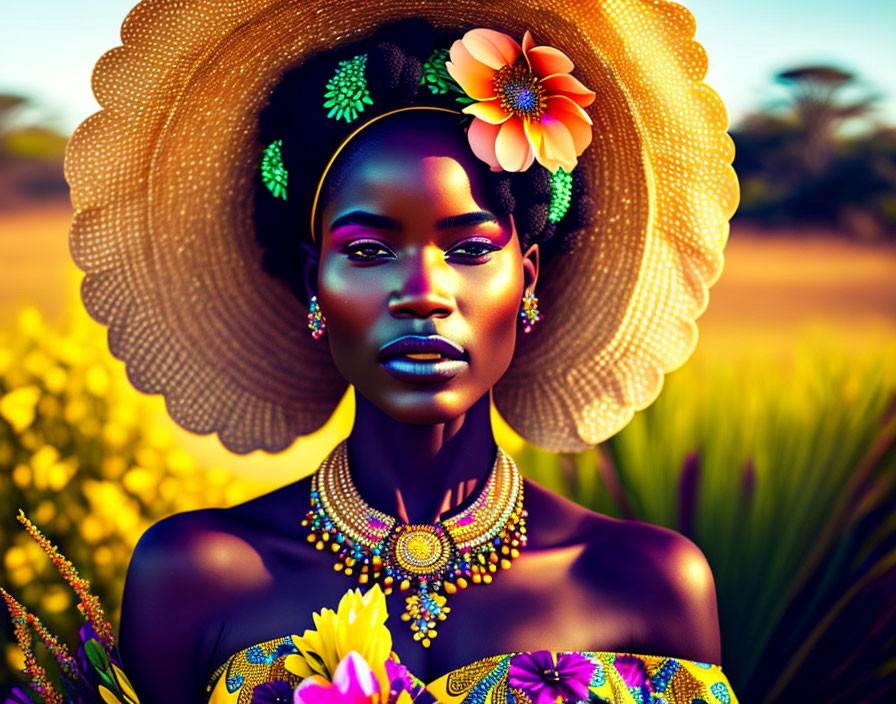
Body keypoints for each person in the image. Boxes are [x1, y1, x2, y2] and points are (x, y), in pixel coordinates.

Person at [10, 1, 739, 703]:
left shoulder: (649, 583)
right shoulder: (195, 576)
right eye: (367, 249)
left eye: (471, 248)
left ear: (528, 278)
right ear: (312, 282)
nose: (422, 291)